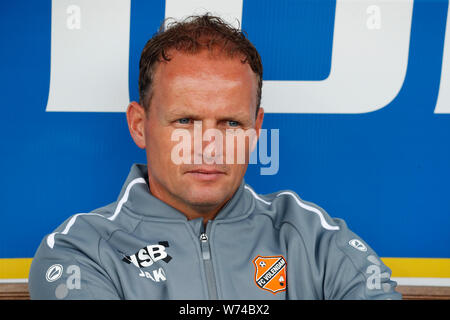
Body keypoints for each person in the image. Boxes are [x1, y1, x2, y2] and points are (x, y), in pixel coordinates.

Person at [29, 14, 401, 300]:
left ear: (256, 129)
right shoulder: (79, 250)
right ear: (139, 125)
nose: (209, 146)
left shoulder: (312, 236)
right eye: (185, 120)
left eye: (230, 123)